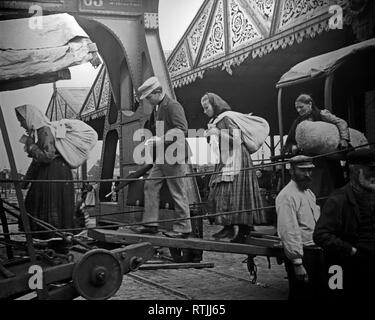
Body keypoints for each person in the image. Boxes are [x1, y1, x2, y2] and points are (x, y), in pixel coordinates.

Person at [201, 92, 266, 242]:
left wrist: (217, 132)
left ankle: (235, 228)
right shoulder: (218, 120)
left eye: (206, 107)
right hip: (228, 156)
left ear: (214, 105)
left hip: (236, 156)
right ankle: (234, 228)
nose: (205, 111)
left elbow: (236, 140)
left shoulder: (227, 118)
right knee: (232, 191)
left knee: (229, 191)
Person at [132, 76, 192, 238]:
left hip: (174, 156)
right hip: (162, 157)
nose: (148, 101)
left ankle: (183, 227)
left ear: (158, 92)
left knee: (177, 191)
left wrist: (161, 139)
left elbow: (182, 129)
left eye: (149, 97)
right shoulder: (158, 108)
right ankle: (151, 224)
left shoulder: (172, 106)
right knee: (150, 185)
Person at [313, 149, 375, 300]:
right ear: (355, 171)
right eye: (371, 170)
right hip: (345, 267)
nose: (374, 175)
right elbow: (321, 235)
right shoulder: (338, 200)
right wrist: (351, 250)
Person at [15, 104, 74, 239]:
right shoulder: (37, 132)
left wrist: (31, 147)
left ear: (29, 118)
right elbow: (36, 161)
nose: (21, 124)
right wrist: (24, 182)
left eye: (21, 121)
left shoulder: (44, 130)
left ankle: (53, 236)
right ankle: (47, 237)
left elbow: (48, 156)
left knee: (48, 201)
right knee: (38, 201)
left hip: (54, 172)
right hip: (50, 171)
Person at [283, 93, 350, 203]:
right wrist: (294, 147)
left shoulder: (322, 114)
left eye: (301, 107)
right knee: (314, 190)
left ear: (310, 104)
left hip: (328, 159)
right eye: (297, 108)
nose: (299, 110)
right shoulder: (297, 123)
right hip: (311, 163)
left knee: (333, 188)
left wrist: (344, 139)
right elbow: (289, 143)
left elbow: (341, 122)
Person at [275, 155, 324, 300]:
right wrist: (297, 263)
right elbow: (288, 231)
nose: (307, 174)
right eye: (302, 171)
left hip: (315, 251)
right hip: (303, 255)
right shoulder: (286, 196)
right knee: (301, 295)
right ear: (292, 171)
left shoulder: (308, 193)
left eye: (310, 170)